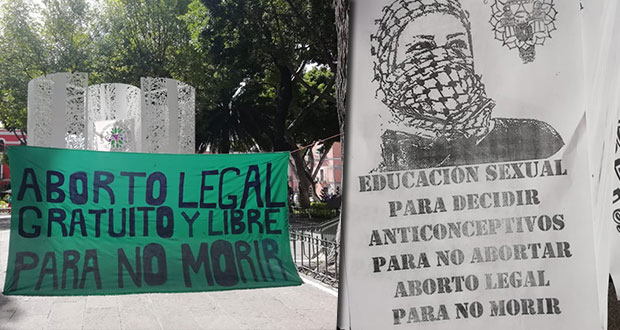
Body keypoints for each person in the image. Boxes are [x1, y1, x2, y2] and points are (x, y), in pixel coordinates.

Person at [371, 0, 564, 171]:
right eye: (421, 48)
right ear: (388, 67)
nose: (443, 57)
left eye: (456, 45)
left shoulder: (534, 138)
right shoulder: (390, 159)